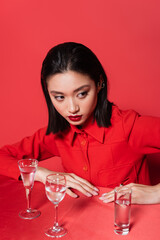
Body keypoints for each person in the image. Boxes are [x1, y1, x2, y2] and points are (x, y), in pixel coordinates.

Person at [0, 42, 160, 204]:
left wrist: (156, 193)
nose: (72, 108)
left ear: (99, 83)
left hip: (130, 226)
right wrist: (42, 174)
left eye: (82, 94)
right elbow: (3, 156)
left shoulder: (129, 127)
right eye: (59, 97)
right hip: (80, 226)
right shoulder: (56, 135)